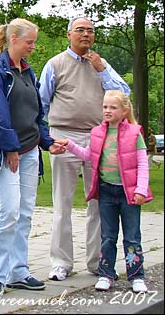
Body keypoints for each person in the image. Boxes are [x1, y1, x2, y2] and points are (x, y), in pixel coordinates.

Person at [39, 16, 130, 281]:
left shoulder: (100, 64)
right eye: (80, 30)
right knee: (62, 202)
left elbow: (124, 94)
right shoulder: (55, 64)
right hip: (64, 136)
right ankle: (61, 263)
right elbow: (41, 101)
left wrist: (101, 69)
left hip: (98, 137)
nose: (86, 35)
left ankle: (97, 261)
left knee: (99, 203)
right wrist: (44, 137)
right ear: (69, 34)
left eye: (90, 31)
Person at [0, 18, 62, 298]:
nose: (33, 46)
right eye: (29, 41)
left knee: (25, 213)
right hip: (8, 153)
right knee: (9, 212)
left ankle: (18, 270)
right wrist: (11, 148)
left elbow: (35, 114)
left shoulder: (27, 72)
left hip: (29, 152)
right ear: (13, 39)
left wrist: (48, 141)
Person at [54, 90, 152, 293]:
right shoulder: (97, 132)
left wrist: (141, 189)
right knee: (107, 236)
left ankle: (136, 276)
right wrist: (70, 145)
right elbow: (89, 155)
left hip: (129, 193)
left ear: (124, 111)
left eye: (113, 107)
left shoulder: (135, 133)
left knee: (132, 236)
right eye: (105, 107)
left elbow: (142, 164)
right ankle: (105, 273)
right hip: (106, 191)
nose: (107, 111)